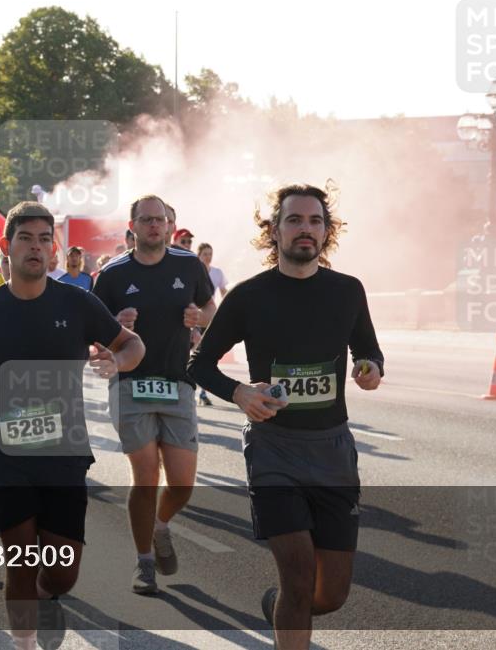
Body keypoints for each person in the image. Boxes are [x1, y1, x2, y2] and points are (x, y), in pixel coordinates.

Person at [0, 201, 145, 650]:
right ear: (6, 247)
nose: (36, 247)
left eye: (43, 239)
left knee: (61, 574)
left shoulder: (76, 303)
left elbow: (131, 344)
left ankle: (36, 590)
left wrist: (118, 360)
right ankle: (24, 641)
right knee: (22, 558)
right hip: (4, 450)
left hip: (64, 448)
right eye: (25, 238)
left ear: (54, 250)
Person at [189, 182, 383, 649]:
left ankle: (279, 605)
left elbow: (369, 350)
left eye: (315, 221)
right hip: (274, 450)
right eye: (294, 220)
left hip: (333, 451)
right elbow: (197, 364)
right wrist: (238, 392)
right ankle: (288, 605)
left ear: (326, 232)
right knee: (299, 580)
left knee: (330, 594)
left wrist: (370, 368)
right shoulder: (249, 296)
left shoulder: (347, 291)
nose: (305, 229)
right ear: (274, 231)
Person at [93, 194, 216, 594]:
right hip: (130, 382)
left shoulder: (188, 265)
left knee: (182, 484)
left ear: (168, 225)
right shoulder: (112, 274)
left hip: (178, 381)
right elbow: (93, 334)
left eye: (159, 219)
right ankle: (144, 562)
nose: (153, 225)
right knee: (145, 474)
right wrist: (113, 322)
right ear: (132, 227)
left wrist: (200, 318)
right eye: (146, 219)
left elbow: (212, 309)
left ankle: (160, 525)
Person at [194, 242, 229, 407]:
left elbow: (224, 293)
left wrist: (228, 311)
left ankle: (202, 392)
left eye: (210, 253)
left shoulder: (217, 273)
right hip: (193, 318)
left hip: (209, 318)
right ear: (199, 255)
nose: (208, 257)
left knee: (204, 354)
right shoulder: (193, 271)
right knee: (188, 354)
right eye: (205, 254)